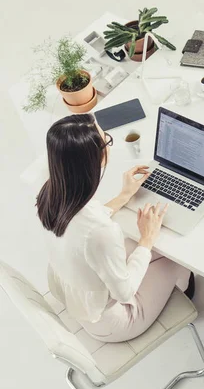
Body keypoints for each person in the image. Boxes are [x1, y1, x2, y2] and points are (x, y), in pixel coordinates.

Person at [37, 114, 194, 343]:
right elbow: (124, 292)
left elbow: (82, 223)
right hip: (113, 322)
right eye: (107, 141)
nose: (109, 145)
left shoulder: (50, 191)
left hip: (77, 297)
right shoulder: (100, 232)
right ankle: (186, 288)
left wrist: (124, 196)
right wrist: (147, 239)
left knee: (138, 244)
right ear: (96, 158)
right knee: (172, 254)